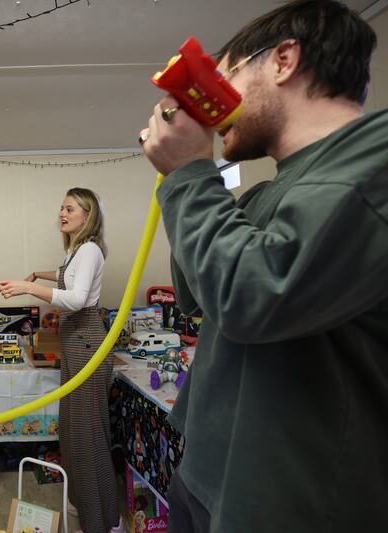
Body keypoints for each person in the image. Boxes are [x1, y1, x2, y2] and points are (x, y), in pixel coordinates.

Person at [138, 1, 387, 531]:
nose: (214, 105)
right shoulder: (276, 189)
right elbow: (197, 292)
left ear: (283, 60)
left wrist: (189, 175)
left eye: (226, 76)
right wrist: (192, 176)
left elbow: (252, 296)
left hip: (287, 501)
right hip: (210, 475)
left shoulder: (375, 162)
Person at [0, 188, 122, 533]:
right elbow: (68, 275)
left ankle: (106, 522)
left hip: (86, 340)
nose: (62, 213)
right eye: (61, 208)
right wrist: (38, 274)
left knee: (88, 433)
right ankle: (84, 504)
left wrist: (27, 288)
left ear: (87, 214)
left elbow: (78, 298)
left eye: (69, 208)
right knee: (72, 431)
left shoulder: (91, 249)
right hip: (75, 342)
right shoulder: (78, 251)